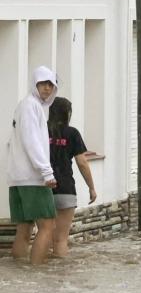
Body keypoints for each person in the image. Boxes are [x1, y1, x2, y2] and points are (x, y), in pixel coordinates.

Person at [7, 66, 59, 265]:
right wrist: (46, 172)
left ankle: (22, 276)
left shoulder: (24, 106)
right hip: (33, 178)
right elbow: (31, 141)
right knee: (47, 225)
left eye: (51, 85)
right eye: (43, 84)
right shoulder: (31, 106)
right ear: (34, 84)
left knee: (24, 226)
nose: (47, 88)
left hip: (18, 178)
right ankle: (37, 274)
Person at [47, 97, 97, 257]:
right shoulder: (72, 133)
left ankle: (40, 275)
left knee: (44, 236)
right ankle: (61, 278)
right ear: (67, 114)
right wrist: (91, 187)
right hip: (65, 188)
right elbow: (82, 163)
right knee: (61, 239)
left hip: (43, 188)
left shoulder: (41, 130)